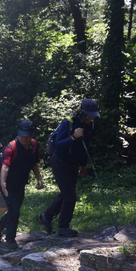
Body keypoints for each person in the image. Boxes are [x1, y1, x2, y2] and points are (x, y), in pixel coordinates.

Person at [38, 99, 99, 237]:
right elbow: (59, 146)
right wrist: (73, 137)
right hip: (60, 161)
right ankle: (63, 227)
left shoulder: (90, 125)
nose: (91, 117)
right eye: (89, 115)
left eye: (93, 115)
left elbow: (85, 147)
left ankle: (46, 217)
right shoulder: (69, 122)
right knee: (70, 196)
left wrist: (83, 165)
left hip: (74, 163)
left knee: (67, 193)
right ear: (82, 112)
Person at [0, 120, 44, 249]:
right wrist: (2, 183)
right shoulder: (11, 147)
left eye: (27, 136)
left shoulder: (34, 145)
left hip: (20, 181)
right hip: (6, 182)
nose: (24, 138)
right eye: (21, 135)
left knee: (14, 210)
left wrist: (39, 179)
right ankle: (10, 240)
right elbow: (5, 167)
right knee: (14, 211)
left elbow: (34, 164)